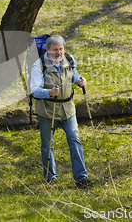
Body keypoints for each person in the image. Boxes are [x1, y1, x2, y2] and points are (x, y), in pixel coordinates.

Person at [30, 35, 94, 188]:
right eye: (55, 50)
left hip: (68, 110)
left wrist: (79, 81)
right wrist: (48, 93)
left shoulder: (69, 59)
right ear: (48, 50)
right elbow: (34, 90)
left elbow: (74, 75)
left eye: (61, 49)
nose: (58, 53)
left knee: (75, 140)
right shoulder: (38, 66)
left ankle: (81, 178)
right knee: (47, 145)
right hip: (47, 111)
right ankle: (50, 178)